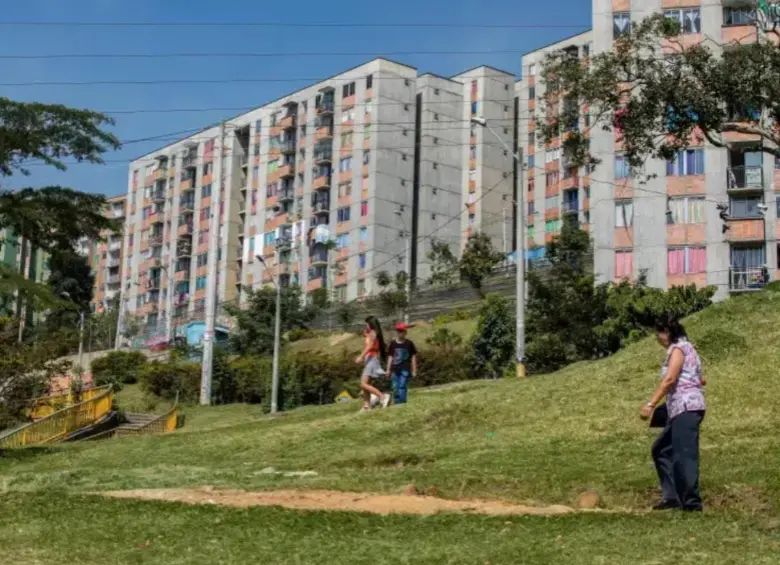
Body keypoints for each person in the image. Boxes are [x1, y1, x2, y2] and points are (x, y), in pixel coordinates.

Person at [640, 314, 706, 512]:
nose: (657, 339)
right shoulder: (688, 348)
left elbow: (669, 379)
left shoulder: (679, 349)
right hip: (679, 408)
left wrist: (651, 404)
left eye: (658, 334)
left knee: (684, 455)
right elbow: (696, 377)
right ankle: (672, 497)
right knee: (661, 450)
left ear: (666, 333)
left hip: (686, 408)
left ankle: (691, 504)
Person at [356, 316, 390, 411]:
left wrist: (361, 356)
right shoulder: (372, 333)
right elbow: (370, 343)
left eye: (366, 324)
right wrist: (366, 336)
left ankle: (382, 397)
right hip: (370, 359)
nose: (365, 325)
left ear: (370, 324)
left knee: (363, 384)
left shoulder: (372, 332)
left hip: (371, 359)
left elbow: (370, 346)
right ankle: (366, 406)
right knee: (366, 384)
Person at [386, 322, 418, 405]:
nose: (400, 333)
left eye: (402, 331)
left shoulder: (409, 343)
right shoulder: (393, 344)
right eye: (398, 331)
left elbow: (413, 357)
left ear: (405, 332)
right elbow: (390, 357)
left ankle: (402, 403)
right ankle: (396, 402)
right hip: (394, 369)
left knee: (402, 386)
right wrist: (388, 369)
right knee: (394, 386)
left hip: (405, 368)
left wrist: (414, 370)